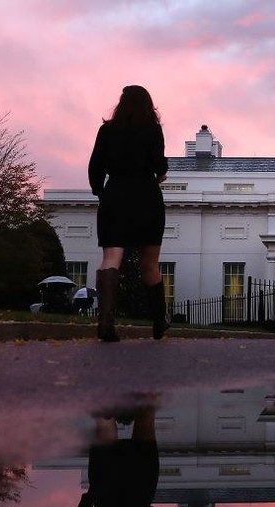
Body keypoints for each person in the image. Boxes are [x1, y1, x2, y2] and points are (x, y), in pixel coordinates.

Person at [88, 85, 169, 342]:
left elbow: (95, 169)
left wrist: (102, 192)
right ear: (148, 106)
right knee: (150, 264)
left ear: (121, 104)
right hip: (146, 196)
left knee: (112, 257)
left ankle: (106, 321)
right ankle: (158, 322)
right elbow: (161, 168)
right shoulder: (153, 130)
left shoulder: (107, 130)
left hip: (116, 195)